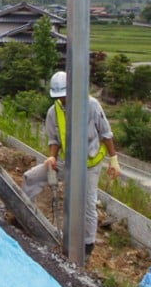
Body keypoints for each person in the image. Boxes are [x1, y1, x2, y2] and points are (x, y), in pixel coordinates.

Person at [22, 70, 120, 260]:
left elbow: (106, 133)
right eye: (59, 97)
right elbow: (54, 140)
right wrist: (51, 157)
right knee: (30, 178)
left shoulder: (91, 105)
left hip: (89, 166)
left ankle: (87, 247)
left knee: (88, 204)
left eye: (64, 95)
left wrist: (114, 159)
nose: (63, 100)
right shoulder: (54, 111)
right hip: (67, 163)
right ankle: (26, 219)